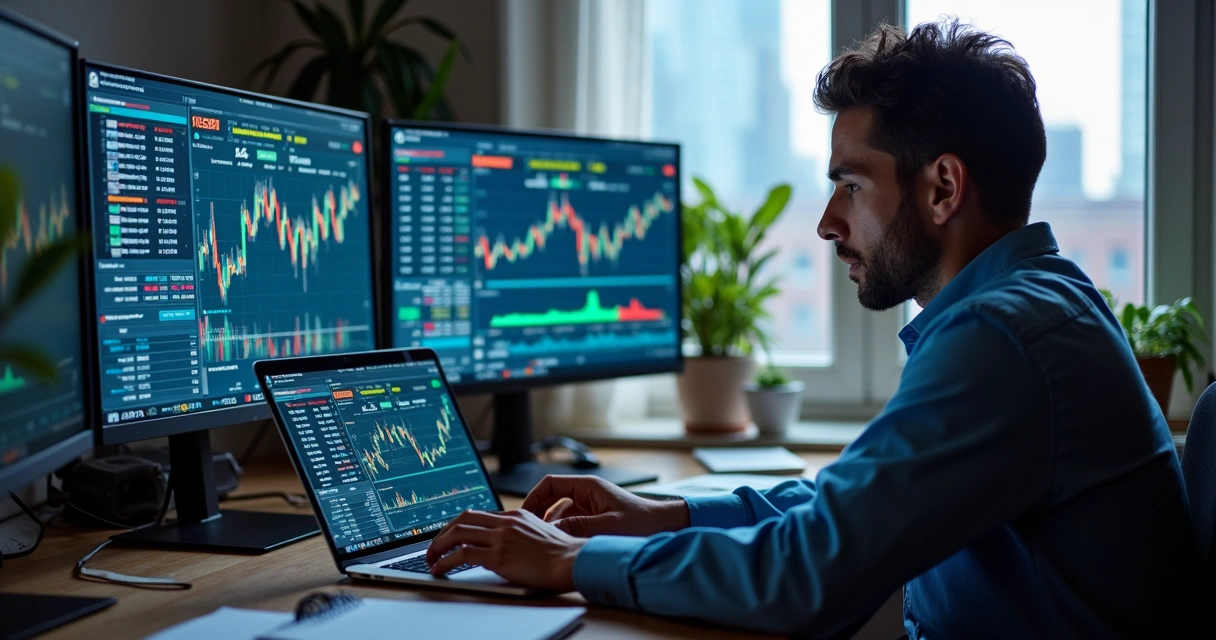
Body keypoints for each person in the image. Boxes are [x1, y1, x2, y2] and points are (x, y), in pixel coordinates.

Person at [425, 19, 1195, 638]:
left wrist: (573, 561)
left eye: (850, 185)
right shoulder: (1036, 304)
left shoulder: (1003, 338)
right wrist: (666, 514)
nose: (828, 223)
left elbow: (806, 578)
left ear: (943, 188)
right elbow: (848, 506)